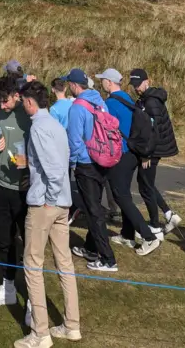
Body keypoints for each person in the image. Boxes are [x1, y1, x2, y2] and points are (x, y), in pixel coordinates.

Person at [14, 81, 81, 347]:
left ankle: (40, 333)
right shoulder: (54, 124)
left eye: (23, 102)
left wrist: (48, 199)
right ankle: (71, 325)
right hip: (61, 202)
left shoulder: (39, 127)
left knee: (32, 264)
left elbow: (54, 168)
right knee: (65, 263)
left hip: (46, 203)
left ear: (30, 102)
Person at [95, 69, 160, 256]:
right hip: (132, 153)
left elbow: (105, 130)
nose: (101, 84)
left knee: (120, 195)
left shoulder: (110, 103)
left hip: (120, 153)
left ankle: (148, 237)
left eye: (103, 80)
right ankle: (127, 233)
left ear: (109, 82)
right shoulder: (128, 99)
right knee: (124, 194)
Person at [0, 75, 30, 309]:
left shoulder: (29, 115)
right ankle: (7, 287)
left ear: (16, 96)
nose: (1, 105)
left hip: (24, 189)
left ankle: (32, 300)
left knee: (30, 245)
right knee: (4, 240)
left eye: (5, 101)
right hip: (0, 184)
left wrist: (29, 162)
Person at [63, 68, 117, 273]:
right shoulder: (99, 101)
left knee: (94, 212)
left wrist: (73, 164)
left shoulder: (77, 107)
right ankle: (92, 247)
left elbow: (75, 141)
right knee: (93, 207)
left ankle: (108, 258)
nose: (69, 87)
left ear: (75, 86)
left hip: (86, 164)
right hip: (103, 159)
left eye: (70, 84)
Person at [129, 68, 182, 235]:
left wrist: (146, 155)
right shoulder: (147, 99)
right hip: (153, 149)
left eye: (138, 84)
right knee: (147, 184)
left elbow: (153, 131)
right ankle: (169, 215)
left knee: (145, 186)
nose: (136, 87)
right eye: (134, 85)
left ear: (147, 81)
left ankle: (154, 224)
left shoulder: (151, 102)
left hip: (152, 151)